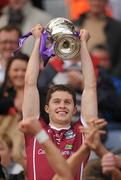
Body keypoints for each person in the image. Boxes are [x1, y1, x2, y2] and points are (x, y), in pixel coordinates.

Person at [21, 24, 97, 180]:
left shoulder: (81, 132)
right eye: (57, 102)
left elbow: (90, 87)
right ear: (47, 108)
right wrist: (37, 42)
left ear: (75, 109)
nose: (62, 105)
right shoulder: (35, 130)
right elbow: (29, 84)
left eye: (67, 102)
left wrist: (82, 44)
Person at [73, 0, 121, 78]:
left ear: (106, 2)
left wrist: (113, 78)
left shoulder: (116, 28)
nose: (96, 3)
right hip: (77, 72)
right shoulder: (75, 23)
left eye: (100, 0)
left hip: (104, 77)